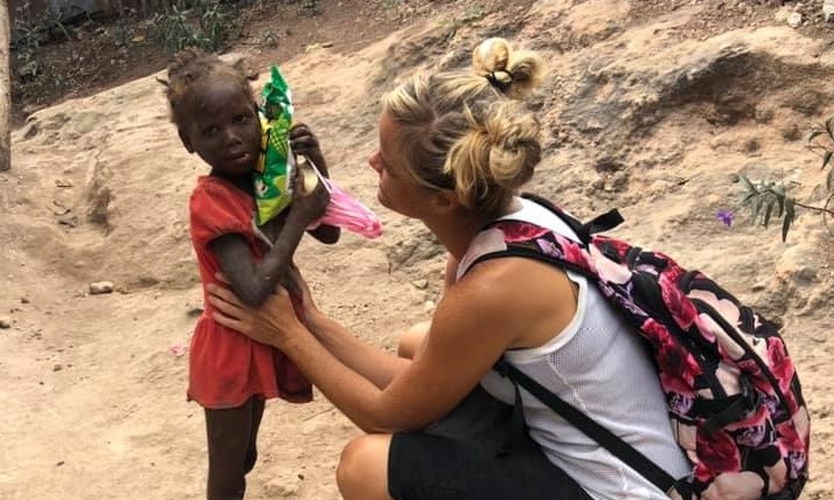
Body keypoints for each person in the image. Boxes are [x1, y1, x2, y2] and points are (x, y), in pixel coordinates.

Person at [206, 37, 692, 500]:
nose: (373, 162)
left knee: (365, 464)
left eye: (389, 165)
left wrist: (289, 336)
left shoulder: (491, 290)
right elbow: (418, 382)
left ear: (443, 196)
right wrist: (311, 320)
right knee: (420, 343)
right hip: (613, 438)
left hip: (620, 488)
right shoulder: (513, 221)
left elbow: (385, 414)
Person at [160, 49, 340, 500]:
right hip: (230, 348)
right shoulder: (211, 201)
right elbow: (254, 289)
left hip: (262, 338)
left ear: (261, 114)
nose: (232, 139)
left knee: (244, 457)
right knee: (227, 474)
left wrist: (315, 167)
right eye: (211, 131)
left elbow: (330, 233)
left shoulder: (267, 177)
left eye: (241, 120)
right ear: (188, 141)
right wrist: (297, 218)